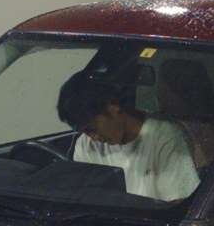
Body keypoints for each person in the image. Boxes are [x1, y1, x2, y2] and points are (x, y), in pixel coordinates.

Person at [56, 72, 199, 202]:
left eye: (92, 129)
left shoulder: (164, 136)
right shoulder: (85, 145)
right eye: (84, 132)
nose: (92, 138)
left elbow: (178, 202)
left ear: (113, 106)